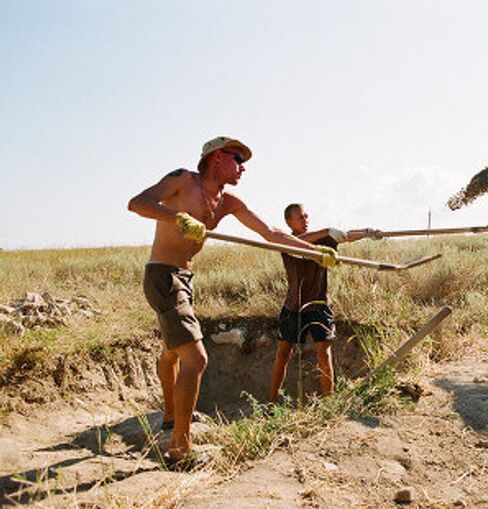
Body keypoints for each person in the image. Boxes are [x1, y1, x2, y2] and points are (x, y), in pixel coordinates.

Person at [128, 136, 337, 463]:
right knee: (196, 360)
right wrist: (178, 218)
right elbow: (137, 202)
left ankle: (171, 416)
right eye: (238, 159)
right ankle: (179, 448)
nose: (242, 168)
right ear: (216, 158)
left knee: (172, 351)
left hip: (184, 277)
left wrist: (316, 252)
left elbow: (271, 233)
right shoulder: (183, 181)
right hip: (163, 275)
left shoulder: (228, 202)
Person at [269, 203, 381, 403]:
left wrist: (367, 232)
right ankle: (271, 401)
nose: (305, 220)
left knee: (323, 352)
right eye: (300, 217)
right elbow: (297, 242)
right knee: (283, 353)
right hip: (294, 307)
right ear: (289, 222)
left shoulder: (323, 240)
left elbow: (345, 236)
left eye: (306, 216)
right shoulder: (285, 242)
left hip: (320, 305)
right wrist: (326, 230)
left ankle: (329, 402)